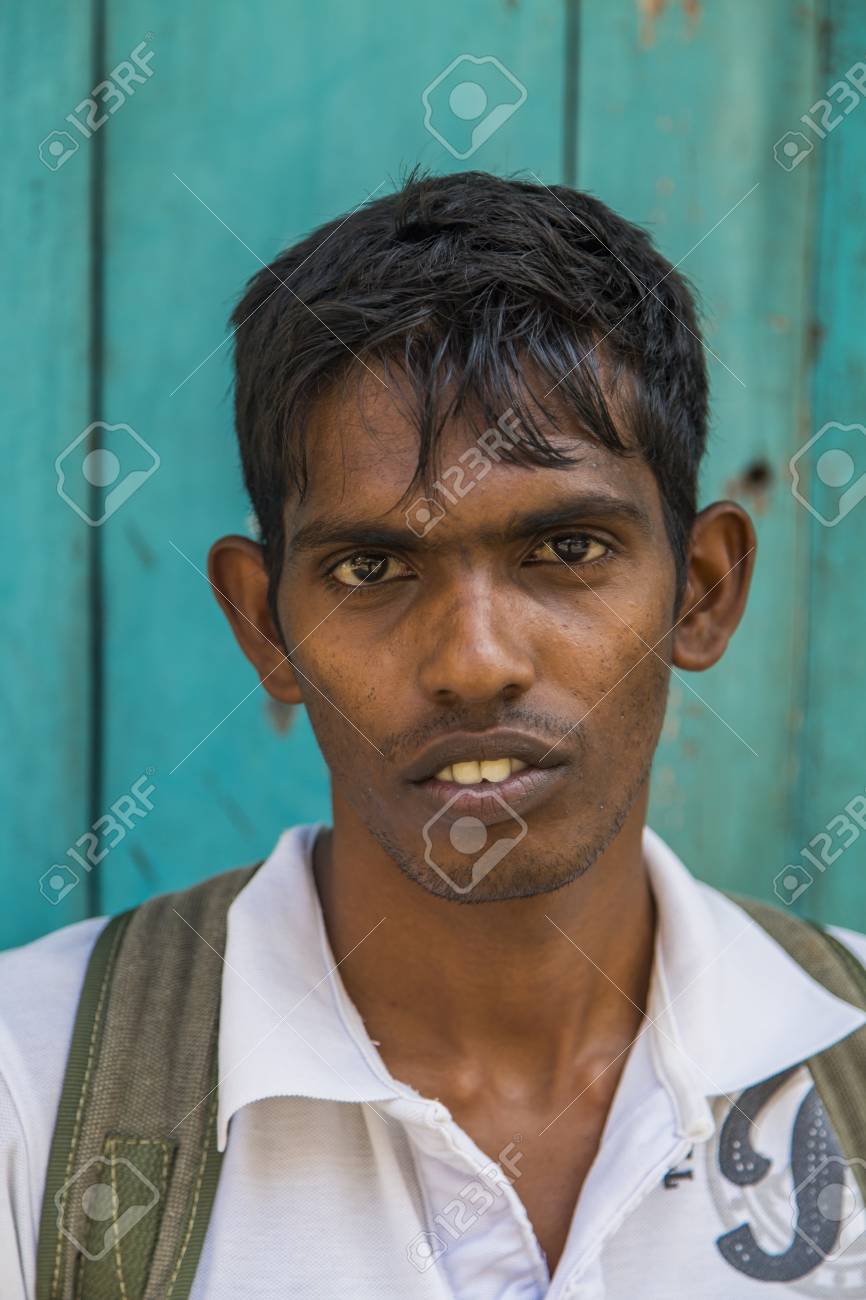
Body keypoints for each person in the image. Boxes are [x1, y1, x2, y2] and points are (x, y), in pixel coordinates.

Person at [3, 171, 866, 1299]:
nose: (472, 662)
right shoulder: (32, 1086)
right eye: (370, 568)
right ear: (266, 626)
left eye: (564, 550)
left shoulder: (840, 1050)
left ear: (698, 591)